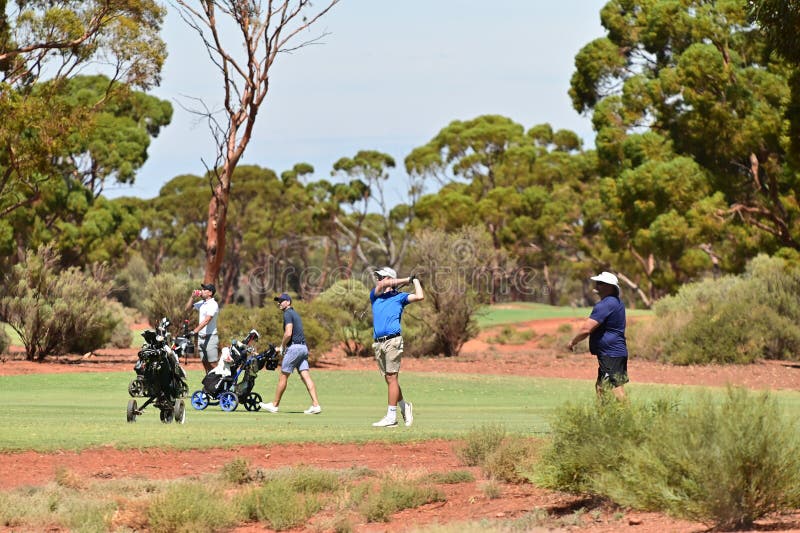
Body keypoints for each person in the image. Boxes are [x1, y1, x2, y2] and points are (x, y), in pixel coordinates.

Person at [369, 266, 424, 427]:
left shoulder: (400, 297)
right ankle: (404, 406)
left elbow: (420, 296)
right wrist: (407, 279)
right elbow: (380, 286)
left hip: (393, 341)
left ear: (389, 279)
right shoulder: (375, 295)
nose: (378, 280)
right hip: (378, 343)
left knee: (392, 377)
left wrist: (415, 280)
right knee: (389, 379)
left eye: (381, 277)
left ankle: (391, 417)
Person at [566, 271, 629, 401]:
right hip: (614, 352)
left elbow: (586, 329)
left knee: (616, 389)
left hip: (611, 354)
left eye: (600, 283)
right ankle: (603, 418)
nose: (597, 285)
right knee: (600, 387)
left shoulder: (606, 304)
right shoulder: (616, 303)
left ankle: (630, 418)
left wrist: (573, 342)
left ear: (610, 287)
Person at [259, 293, 321, 414]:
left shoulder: (287, 313)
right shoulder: (295, 314)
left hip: (295, 349)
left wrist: (282, 347)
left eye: (281, 301)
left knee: (283, 376)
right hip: (303, 348)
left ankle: (274, 405)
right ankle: (316, 405)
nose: (279, 303)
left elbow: (288, 333)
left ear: (288, 302)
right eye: (278, 301)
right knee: (306, 376)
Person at [186, 283, 219, 374]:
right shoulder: (202, 303)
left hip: (210, 337)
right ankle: (209, 384)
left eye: (205, 290)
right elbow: (187, 309)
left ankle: (221, 384)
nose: (202, 291)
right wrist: (192, 297)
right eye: (202, 289)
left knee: (213, 364)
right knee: (205, 363)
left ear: (210, 293)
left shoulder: (213, 304)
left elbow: (207, 320)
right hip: (201, 338)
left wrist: (194, 331)